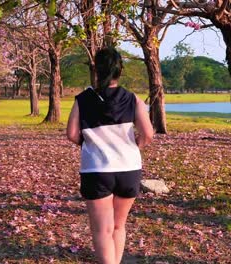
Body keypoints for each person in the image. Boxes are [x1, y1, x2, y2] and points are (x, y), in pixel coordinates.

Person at [66, 47, 154, 264]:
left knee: (102, 230)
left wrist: (90, 144)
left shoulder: (83, 99)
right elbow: (148, 134)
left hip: (96, 170)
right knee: (118, 225)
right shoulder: (133, 99)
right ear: (119, 70)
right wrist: (136, 147)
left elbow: (72, 134)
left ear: (96, 70)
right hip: (129, 169)